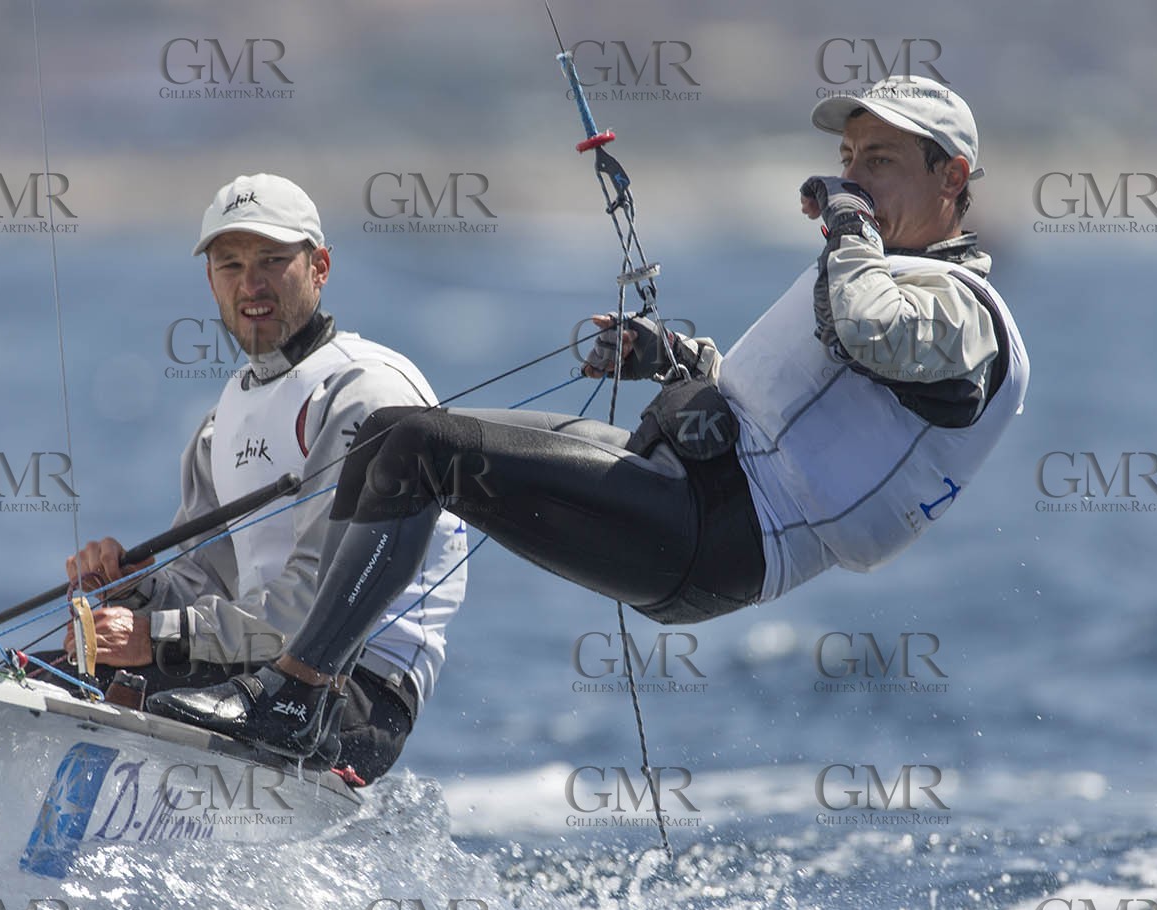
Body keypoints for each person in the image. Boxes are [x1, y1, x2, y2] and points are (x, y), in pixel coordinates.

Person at [147, 76, 1028, 732]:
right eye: (847, 159)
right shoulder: (883, 276)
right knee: (389, 437)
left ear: (951, 175)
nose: (855, 177)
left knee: (421, 450)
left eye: (878, 160)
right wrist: (675, 358)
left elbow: (872, 329)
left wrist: (846, 225)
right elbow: (794, 401)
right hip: (688, 486)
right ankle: (299, 687)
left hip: (721, 537)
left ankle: (301, 698)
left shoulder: (963, 314)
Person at [67, 173, 468, 783]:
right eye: (230, 265)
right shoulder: (218, 422)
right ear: (210, 281)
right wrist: (133, 594)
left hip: (349, 687)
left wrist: (153, 635)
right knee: (52, 673)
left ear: (320, 266)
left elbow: (314, 599)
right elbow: (208, 584)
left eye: (272, 260)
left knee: (118, 688)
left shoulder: (364, 392)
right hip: (251, 667)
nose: (250, 284)